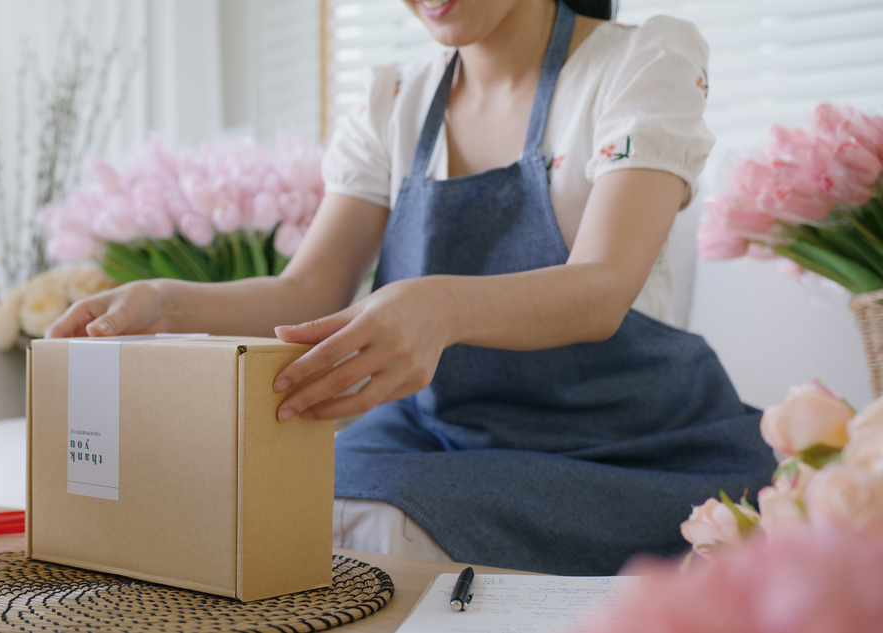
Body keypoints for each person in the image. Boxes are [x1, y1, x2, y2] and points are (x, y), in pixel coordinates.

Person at [47, 0, 776, 575]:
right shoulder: (394, 99)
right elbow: (312, 287)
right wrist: (166, 302)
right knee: (239, 495)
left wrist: (440, 304)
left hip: (620, 444)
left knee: (371, 520)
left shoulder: (640, 62)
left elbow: (600, 288)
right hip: (444, 435)